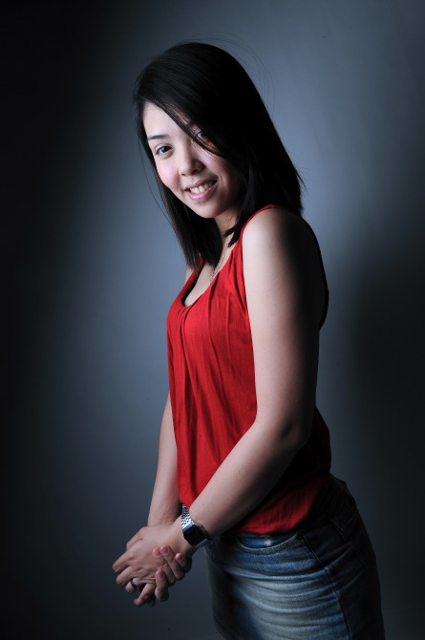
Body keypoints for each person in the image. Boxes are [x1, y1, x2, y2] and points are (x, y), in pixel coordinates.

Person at [113, 42, 385, 639]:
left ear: (240, 124)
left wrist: (178, 537)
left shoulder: (269, 234)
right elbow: (184, 397)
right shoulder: (207, 259)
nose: (186, 164)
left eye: (199, 133)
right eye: (163, 148)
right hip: (225, 542)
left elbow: (283, 427)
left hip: (295, 552)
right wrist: (161, 528)